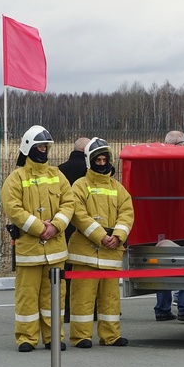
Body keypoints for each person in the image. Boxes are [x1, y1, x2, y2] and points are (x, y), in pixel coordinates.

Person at [0, 125, 74, 352]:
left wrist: (57, 226)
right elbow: (13, 209)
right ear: (29, 147)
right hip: (29, 251)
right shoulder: (16, 178)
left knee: (54, 298)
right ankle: (26, 338)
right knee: (27, 297)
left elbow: (69, 203)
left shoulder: (57, 175)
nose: (44, 150)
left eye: (46, 147)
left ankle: (54, 337)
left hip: (55, 250)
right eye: (40, 146)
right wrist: (39, 228)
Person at [68, 137, 134, 348]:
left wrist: (118, 236)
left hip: (110, 253)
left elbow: (127, 213)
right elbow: (79, 215)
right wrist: (100, 235)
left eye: (105, 159)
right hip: (85, 254)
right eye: (98, 160)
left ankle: (111, 335)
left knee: (110, 299)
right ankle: (81, 336)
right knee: (82, 298)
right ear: (90, 161)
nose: (103, 163)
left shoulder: (118, 188)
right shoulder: (80, 186)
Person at [153, 130, 184, 322]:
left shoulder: (155, 164)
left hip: (160, 223)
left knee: (162, 265)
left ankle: (163, 309)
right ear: (179, 144)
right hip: (182, 223)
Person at [59, 137, 90, 323]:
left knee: (65, 269)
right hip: (85, 226)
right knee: (86, 269)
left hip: (63, 226)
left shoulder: (59, 170)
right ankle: (88, 308)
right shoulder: (89, 170)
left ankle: (66, 309)